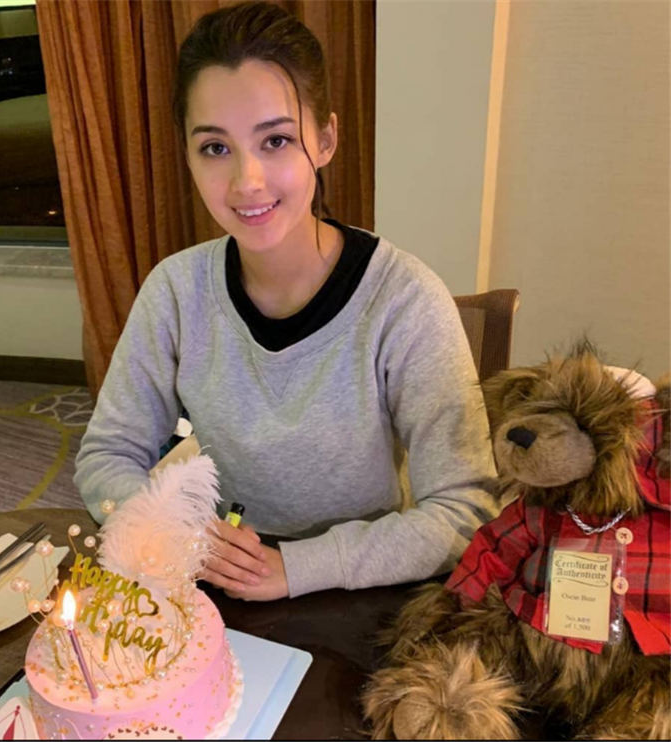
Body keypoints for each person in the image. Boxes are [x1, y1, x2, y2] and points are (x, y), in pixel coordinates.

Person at [75, 1, 499, 602]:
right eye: (215, 148)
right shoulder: (175, 290)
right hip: (220, 580)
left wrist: (296, 567)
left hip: (360, 587)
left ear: (324, 139)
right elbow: (106, 455)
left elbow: (465, 511)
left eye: (275, 140)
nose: (246, 181)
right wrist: (176, 532)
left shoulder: (404, 300)